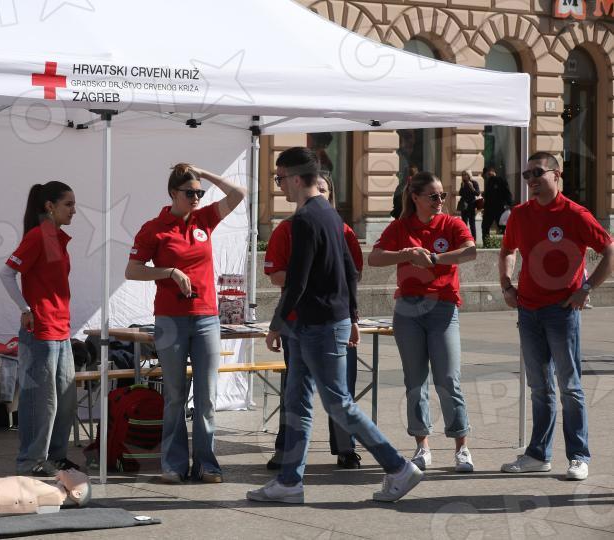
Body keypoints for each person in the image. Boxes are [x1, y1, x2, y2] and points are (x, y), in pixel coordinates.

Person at [247, 147, 422, 504]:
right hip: (319, 323)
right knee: (297, 402)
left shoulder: (306, 219)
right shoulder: (330, 214)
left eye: (280, 179)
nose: (280, 186)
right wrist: (351, 316)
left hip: (319, 324)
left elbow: (297, 281)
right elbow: (349, 271)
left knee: (338, 404)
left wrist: (276, 323)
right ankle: (289, 481)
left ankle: (398, 466)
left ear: (297, 179)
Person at [125, 163, 246, 484]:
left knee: (207, 396)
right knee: (175, 395)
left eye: (199, 193)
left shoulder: (204, 219)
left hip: (206, 318)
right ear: (172, 193)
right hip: (170, 320)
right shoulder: (154, 228)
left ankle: (207, 464)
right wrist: (168, 272)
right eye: (189, 193)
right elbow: (132, 270)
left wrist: (204, 173)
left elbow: (239, 194)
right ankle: (174, 464)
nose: (196, 198)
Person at [499, 152, 613, 481]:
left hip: (562, 312)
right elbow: (507, 250)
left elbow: (609, 250)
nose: (531, 180)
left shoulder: (575, 214)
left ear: (556, 175)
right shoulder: (520, 215)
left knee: (570, 387)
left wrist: (586, 288)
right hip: (528, 310)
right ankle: (538, 455)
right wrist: (506, 285)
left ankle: (578, 456)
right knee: (539, 387)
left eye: (538, 173)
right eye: (526, 175)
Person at [368, 171, 477, 473]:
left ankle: (461, 446)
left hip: (443, 307)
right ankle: (422, 446)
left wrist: (434, 259)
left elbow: (470, 251)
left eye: (443, 195)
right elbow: (374, 258)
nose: (440, 200)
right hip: (408, 310)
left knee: (448, 378)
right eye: (433, 196)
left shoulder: (452, 224)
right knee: (415, 380)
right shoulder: (400, 227)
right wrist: (405, 254)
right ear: (415, 197)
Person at [263, 174, 364, 470]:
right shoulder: (287, 229)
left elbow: (352, 275)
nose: (318, 193)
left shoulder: (342, 230)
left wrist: (353, 318)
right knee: (295, 392)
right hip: (297, 323)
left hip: (336, 321)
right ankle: (287, 452)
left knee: (341, 391)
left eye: (324, 189)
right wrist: (310, 278)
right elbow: (276, 275)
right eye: (315, 188)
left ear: (330, 195)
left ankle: (347, 448)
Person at [0, 181, 78, 477]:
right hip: (41, 331)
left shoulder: (56, 238)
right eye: (68, 204)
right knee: (41, 402)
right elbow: (7, 273)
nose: (74, 210)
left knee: (65, 400)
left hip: (61, 330)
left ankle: (55, 458)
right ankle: (30, 461)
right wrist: (25, 308)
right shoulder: (38, 236)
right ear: (50, 206)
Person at [481, 165, 513, 243]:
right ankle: (487, 244)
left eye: (489, 173)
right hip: (489, 209)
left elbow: (507, 193)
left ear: (493, 172)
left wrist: (509, 205)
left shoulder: (500, 180)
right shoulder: (488, 182)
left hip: (500, 209)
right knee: (485, 227)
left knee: (503, 227)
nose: (487, 175)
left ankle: (507, 244)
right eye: (486, 174)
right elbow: (488, 196)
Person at [457, 170, 481, 239]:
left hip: (471, 205)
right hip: (464, 206)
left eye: (465, 174)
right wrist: (462, 187)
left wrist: (472, 188)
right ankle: (465, 238)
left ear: (469, 175)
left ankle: (474, 239)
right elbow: (460, 193)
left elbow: (477, 193)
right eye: (463, 175)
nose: (464, 176)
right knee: (464, 223)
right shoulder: (463, 183)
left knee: (472, 223)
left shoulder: (474, 183)